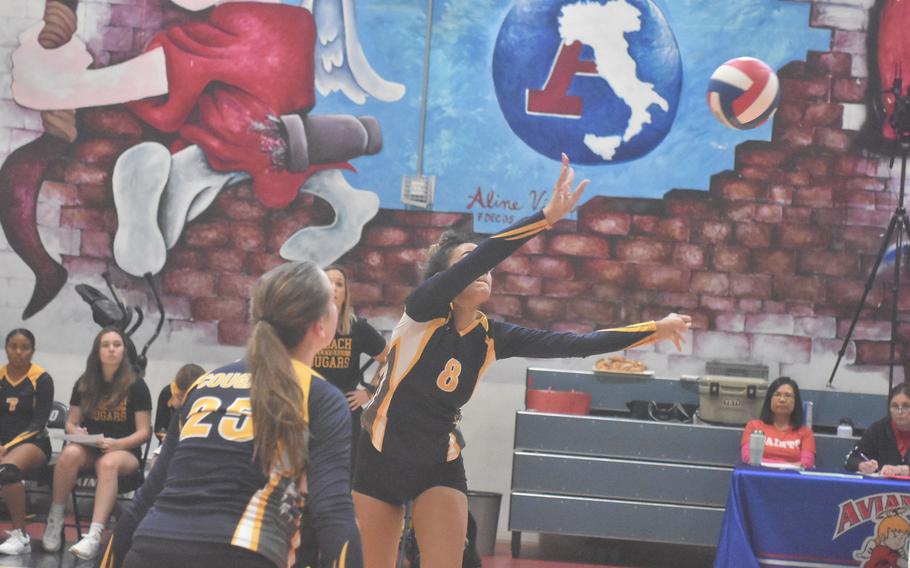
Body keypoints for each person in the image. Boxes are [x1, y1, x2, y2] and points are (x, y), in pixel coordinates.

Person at [353, 154, 692, 568]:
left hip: (437, 462)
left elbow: (575, 344)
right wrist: (545, 217)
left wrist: (654, 328)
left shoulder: (492, 336)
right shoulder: (421, 310)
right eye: (466, 263)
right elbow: (487, 255)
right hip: (379, 455)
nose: (482, 270)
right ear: (446, 278)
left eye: (483, 267)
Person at [99, 261, 361, 568]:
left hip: (149, 548)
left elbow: (147, 496)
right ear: (320, 325)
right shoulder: (320, 396)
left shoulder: (204, 384)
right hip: (239, 553)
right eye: (331, 299)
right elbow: (334, 512)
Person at [41, 328, 152, 560]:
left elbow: (144, 432)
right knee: (70, 453)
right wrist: (76, 432)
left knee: (108, 463)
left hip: (124, 450)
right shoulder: (84, 382)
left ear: (124, 350)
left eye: (117, 345)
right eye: (106, 345)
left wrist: (117, 443)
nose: (112, 349)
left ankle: (93, 534)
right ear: (97, 351)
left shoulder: (137, 385)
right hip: (91, 447)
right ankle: (55, 518)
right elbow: (70, 422)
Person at [313, 265, 387, 469]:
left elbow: (391, 359)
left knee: (347, 477)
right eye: (328, 283)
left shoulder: (357, 327)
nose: (334, 288)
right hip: (310, 412)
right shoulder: (304, 325)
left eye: (339, 284)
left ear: (345, 293)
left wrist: (370, 391)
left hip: (345, 412)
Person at [0, 329, 54, 555]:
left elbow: (39, 422)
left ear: (32, 351)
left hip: (33, 444)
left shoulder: (41, 379)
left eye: (25, 348)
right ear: (6, 348)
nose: (19, 352)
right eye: (13, 346)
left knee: (7, 470)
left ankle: (21, 535)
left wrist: (7, 447)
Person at [740, 376, 815, 468]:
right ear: (769, 399)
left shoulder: (806, 433)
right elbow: (748, 458)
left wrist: (773, 466)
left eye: (788, 395)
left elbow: (806, 463)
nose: (782, 400)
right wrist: (788, 466)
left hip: (792, 480)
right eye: (777, 395)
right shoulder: (754, 427)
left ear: (796, 402)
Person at [846, 382, 910, 476]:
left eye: (906, 406)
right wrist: (862, 465)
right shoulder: (878, 429)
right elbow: (851, 459)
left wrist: (903, 470)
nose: (899, 412)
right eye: (895, 406)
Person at [153, 363, 205, 442]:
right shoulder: (168, 392)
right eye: (179, 397)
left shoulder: (207, 398)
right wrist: (166, 437)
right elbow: (159, 428)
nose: (184, 401)